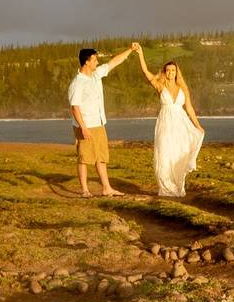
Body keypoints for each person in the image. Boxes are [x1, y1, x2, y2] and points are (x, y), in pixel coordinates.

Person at [132, 43, 204, 197]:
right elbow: (146, 73)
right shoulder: (160, 86)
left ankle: (178, 185)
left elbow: (189, 108)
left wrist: (198, 125)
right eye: (168, 70)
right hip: (165, 124)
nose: (171, 72)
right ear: (165, 72)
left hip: (180, 124)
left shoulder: (183, 89)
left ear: (177, 72)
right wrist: (140, 54)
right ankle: (165, 187)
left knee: (178, 153)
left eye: (173, 70)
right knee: (164, 153)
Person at [68, 45, 135, 197]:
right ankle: (85, 190)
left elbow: (113, 63)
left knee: (101, 157)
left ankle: (107, 188)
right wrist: (83, 128)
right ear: (87, 62)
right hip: (84, 124)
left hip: (98, 122)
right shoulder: (77, 83)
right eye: (95, 60)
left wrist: (130, 49)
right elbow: (75, 108)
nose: (97, 63)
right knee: (84, 158)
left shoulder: (96, 74)